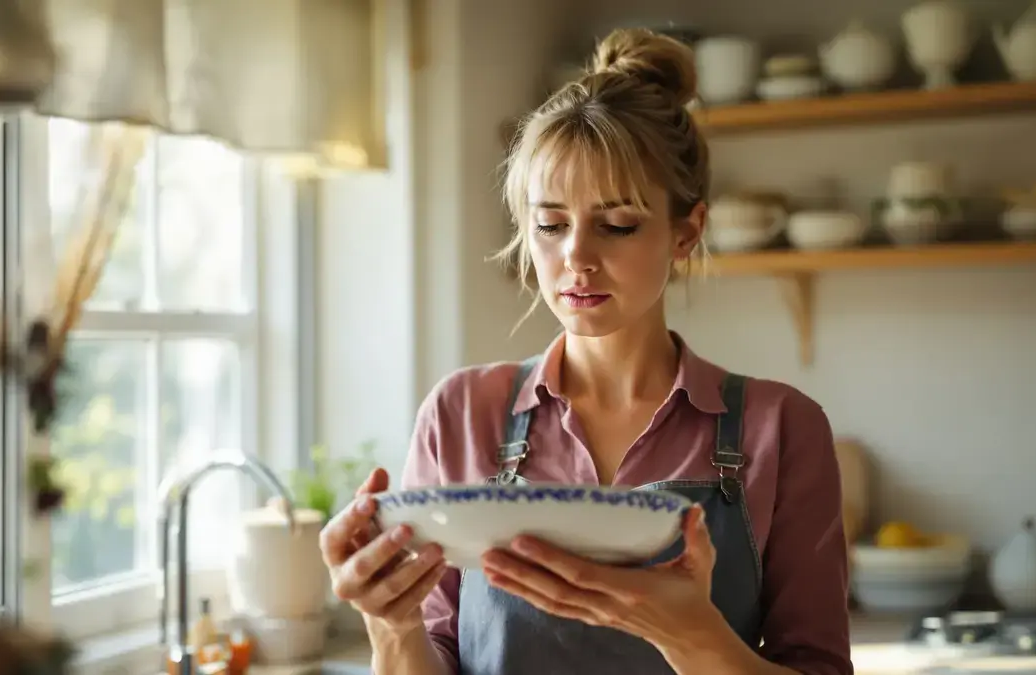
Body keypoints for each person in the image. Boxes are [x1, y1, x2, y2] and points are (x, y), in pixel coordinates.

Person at [318, 27, 853, 675]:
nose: (576, 258)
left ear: (686, 232)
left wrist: (693, 636)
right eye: (550, 224)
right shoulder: (462, 414)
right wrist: (390, 624)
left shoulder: (782, 429)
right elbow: (431, 657)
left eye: (617, 223)